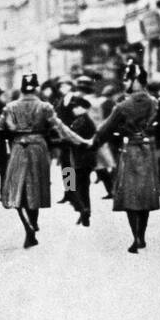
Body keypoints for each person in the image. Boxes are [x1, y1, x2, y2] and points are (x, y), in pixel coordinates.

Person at [0, 74, 88, 250]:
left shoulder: (11, 107)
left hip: (19, 148)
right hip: (40, 148)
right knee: (37, 187)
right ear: (36, 88)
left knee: (15, 188)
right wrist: (83, 141)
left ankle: (29, 226)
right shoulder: (46, 105)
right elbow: (61, 128)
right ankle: (44, 218)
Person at [94, 62, 160, 253]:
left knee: (129, 196)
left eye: (127, 79)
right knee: (146, 195)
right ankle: (142, 235)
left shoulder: (122, 105)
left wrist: (92, 144)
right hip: (148, 150)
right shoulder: (155, 103)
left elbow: (105, 129)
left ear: (135, 81)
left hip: (130, 150)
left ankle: (136, 236)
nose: (125, 83)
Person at [62, 95, 98, 227]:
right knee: (84, 187)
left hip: (81, 159)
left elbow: (74, 138)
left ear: (84, 108)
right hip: (85, 159)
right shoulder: (83, 120)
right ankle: (85, 212)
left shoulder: (81, 121)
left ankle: (83, 210)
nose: (74, 109)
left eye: (77, 107)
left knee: (77, 187)